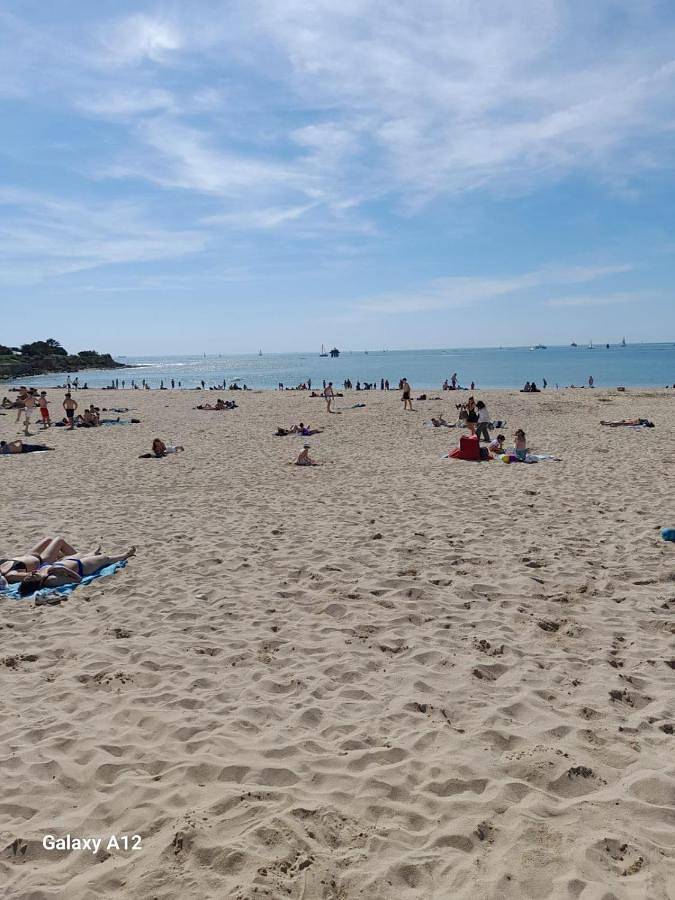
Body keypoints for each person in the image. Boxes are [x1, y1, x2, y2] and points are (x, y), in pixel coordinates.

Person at [18, 546, 136, 597]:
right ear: (37, 583)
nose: (32, 573)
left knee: (83, 555)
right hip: (81, 567)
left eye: (28, 576)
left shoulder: (39, 574)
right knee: (105, 559)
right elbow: (77, 580)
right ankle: (125, 555)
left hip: (70, 561)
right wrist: (62, 569)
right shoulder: (51, 580)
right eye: (32, 577)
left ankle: (92, 553)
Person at [0, 537, 78, 581]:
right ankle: (79, 559)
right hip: (42, 561)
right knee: (59, 540)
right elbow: (34, 575)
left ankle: (64, 559)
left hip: (30, 555)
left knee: (49, 540)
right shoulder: (11, 574)